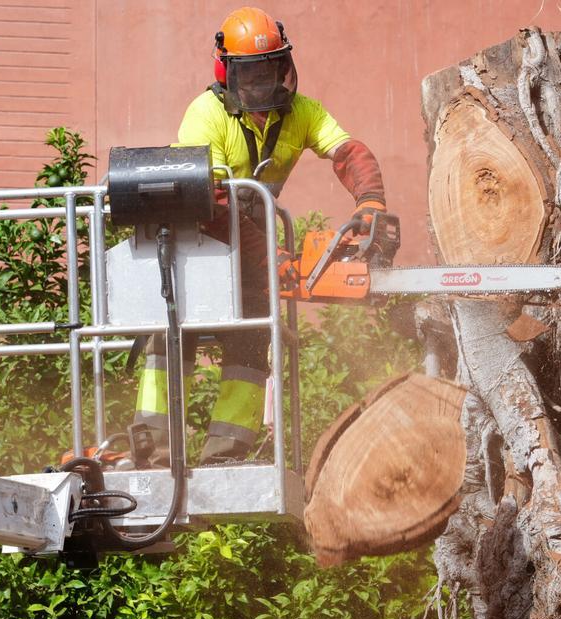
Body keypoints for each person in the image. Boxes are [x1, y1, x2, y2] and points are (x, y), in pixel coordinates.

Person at [129, 6, 387, 467]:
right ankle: (153, 446)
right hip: (196, 241)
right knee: (173, 335)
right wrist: (271, 256)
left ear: (284, 66)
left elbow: (348, 150)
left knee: (251, 339)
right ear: (226, 71)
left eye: (270, 69)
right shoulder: (205, 113)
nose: (262, 83)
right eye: (250, 73)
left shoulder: (302, 112)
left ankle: (227, 451)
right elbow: (205, 199)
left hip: (252, 242)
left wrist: (370, 201)